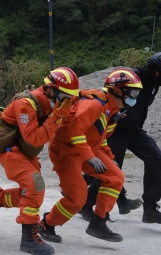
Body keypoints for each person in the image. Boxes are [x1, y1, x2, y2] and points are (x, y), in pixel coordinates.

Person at [0, 68, 82, 255]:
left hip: (23, 150)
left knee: (32, 192)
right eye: (65, 96)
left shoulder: (57, 101)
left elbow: (80, 98)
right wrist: (57, 117)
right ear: (50, 90)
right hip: (9, 148)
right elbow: (34, 139)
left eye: (70, 97)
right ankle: (28, 239)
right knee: (35, 184)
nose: (68, 100)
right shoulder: (26, 104)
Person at [38, 68, 143, 244]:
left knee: (115, 177)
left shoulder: (111, 109)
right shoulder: (94, 104)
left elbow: (98, 138)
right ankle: (46, 224)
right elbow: (74, 130)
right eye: (132, 92)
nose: (135, 96)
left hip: (86, 149)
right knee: (77, 200)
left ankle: (98, 223)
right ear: (118, 90)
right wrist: (90, 157)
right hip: (66, 152)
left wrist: (109, 158)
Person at [80, 52, 161, 224]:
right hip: (116, 130)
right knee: (111, 171)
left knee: (156, 158)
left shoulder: (154, 84)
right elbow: (107, 94)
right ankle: (85, 204)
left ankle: (150, 210)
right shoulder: (131, 78)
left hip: (134, 130)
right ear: (156, 69)